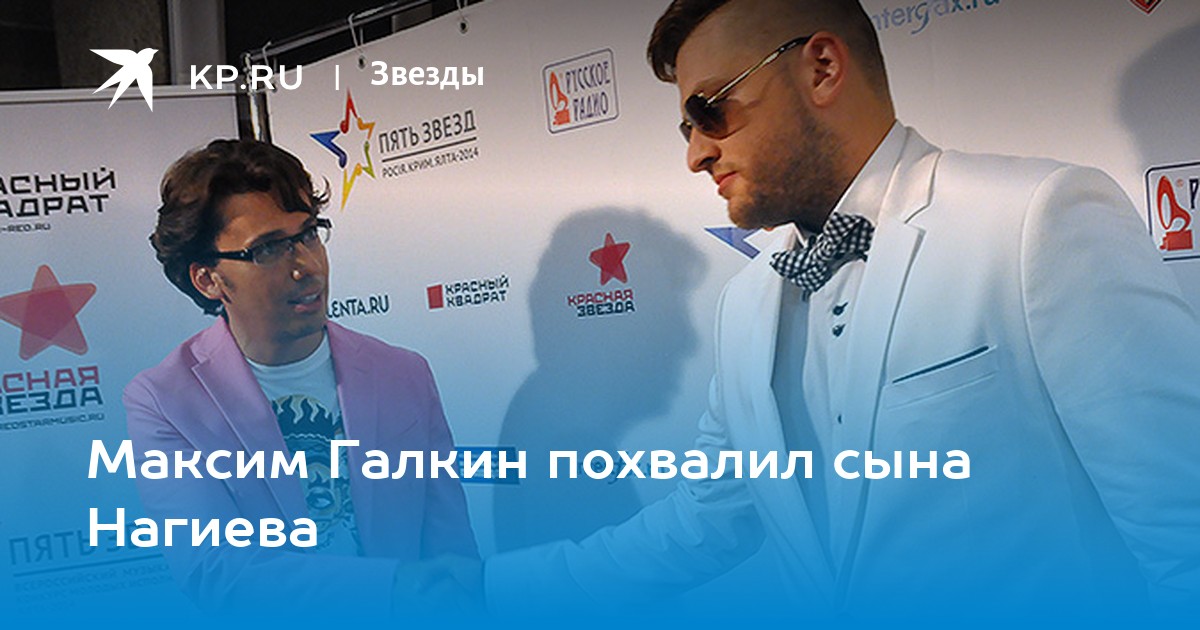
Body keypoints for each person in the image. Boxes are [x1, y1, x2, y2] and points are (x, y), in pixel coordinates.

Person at [483, 0, 1200, 620]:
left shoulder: (1034, 219)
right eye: (686, 129)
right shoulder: (745, 304)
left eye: (710, 109)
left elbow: (1183, 532)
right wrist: (488, 588)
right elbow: (704, 519)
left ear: (822, 68)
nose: (697, 154)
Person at [123, 139, 478, 617]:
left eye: (309, 234)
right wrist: (392, 586)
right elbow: (216, 571)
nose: (306, 266)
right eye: (269, 248)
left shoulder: (403, 374)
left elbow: (453, 552)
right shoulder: (165, 402)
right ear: (208, 279)